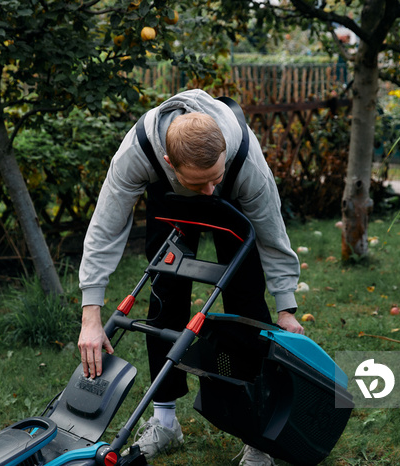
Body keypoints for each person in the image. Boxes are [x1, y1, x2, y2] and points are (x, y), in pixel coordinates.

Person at [78, 89, 304, 466]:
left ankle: (255, 434)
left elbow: (273, 236)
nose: (209, 192)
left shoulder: (245, 164)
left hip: (238, 203)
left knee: (245, 300)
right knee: (165, 292)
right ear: (168, 162)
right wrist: (91, 314)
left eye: (214, 178)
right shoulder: (138, 152)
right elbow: (105, 226)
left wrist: (286, 307)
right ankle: (165, 421)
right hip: (171, 199)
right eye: (200, 184)